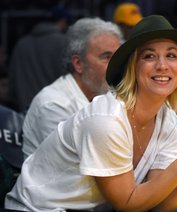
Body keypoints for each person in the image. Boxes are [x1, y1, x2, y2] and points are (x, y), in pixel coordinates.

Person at [5, 15, 177, 212]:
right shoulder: (106, 119)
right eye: (150, 56)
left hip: (90, 209)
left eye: (172, 55)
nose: (162, 65)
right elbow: (126, 203)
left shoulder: (165, 120)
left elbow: (160, 204)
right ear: (133, 67)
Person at [22, 17, 122, 160]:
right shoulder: (54, 104)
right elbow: (85, 165)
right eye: (107, 57)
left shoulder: (109, 94)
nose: (116, 65)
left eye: (118, 57)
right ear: (78, 63)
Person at [8, 6, 70, 112]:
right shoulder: (64, 42)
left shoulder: (22, 43)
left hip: (24, 112)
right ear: (63, 21)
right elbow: (70, 80)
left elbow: (12, 80)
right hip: (55, 112)